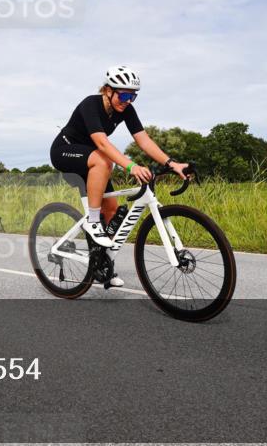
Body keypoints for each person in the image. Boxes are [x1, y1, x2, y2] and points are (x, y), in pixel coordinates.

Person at [50, 66, 188, 287]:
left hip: (94, 161)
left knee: (112, 211)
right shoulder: (91, 104)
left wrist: (171, 163)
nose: (128, 100)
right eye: (124, 95)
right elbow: (102, 143)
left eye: (133, 96)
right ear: (107, 90)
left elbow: (143, 140)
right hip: (65, 151)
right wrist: (131, 166)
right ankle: (92, 222)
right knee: (105, 160)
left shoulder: (126, 110)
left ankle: (102, 265)